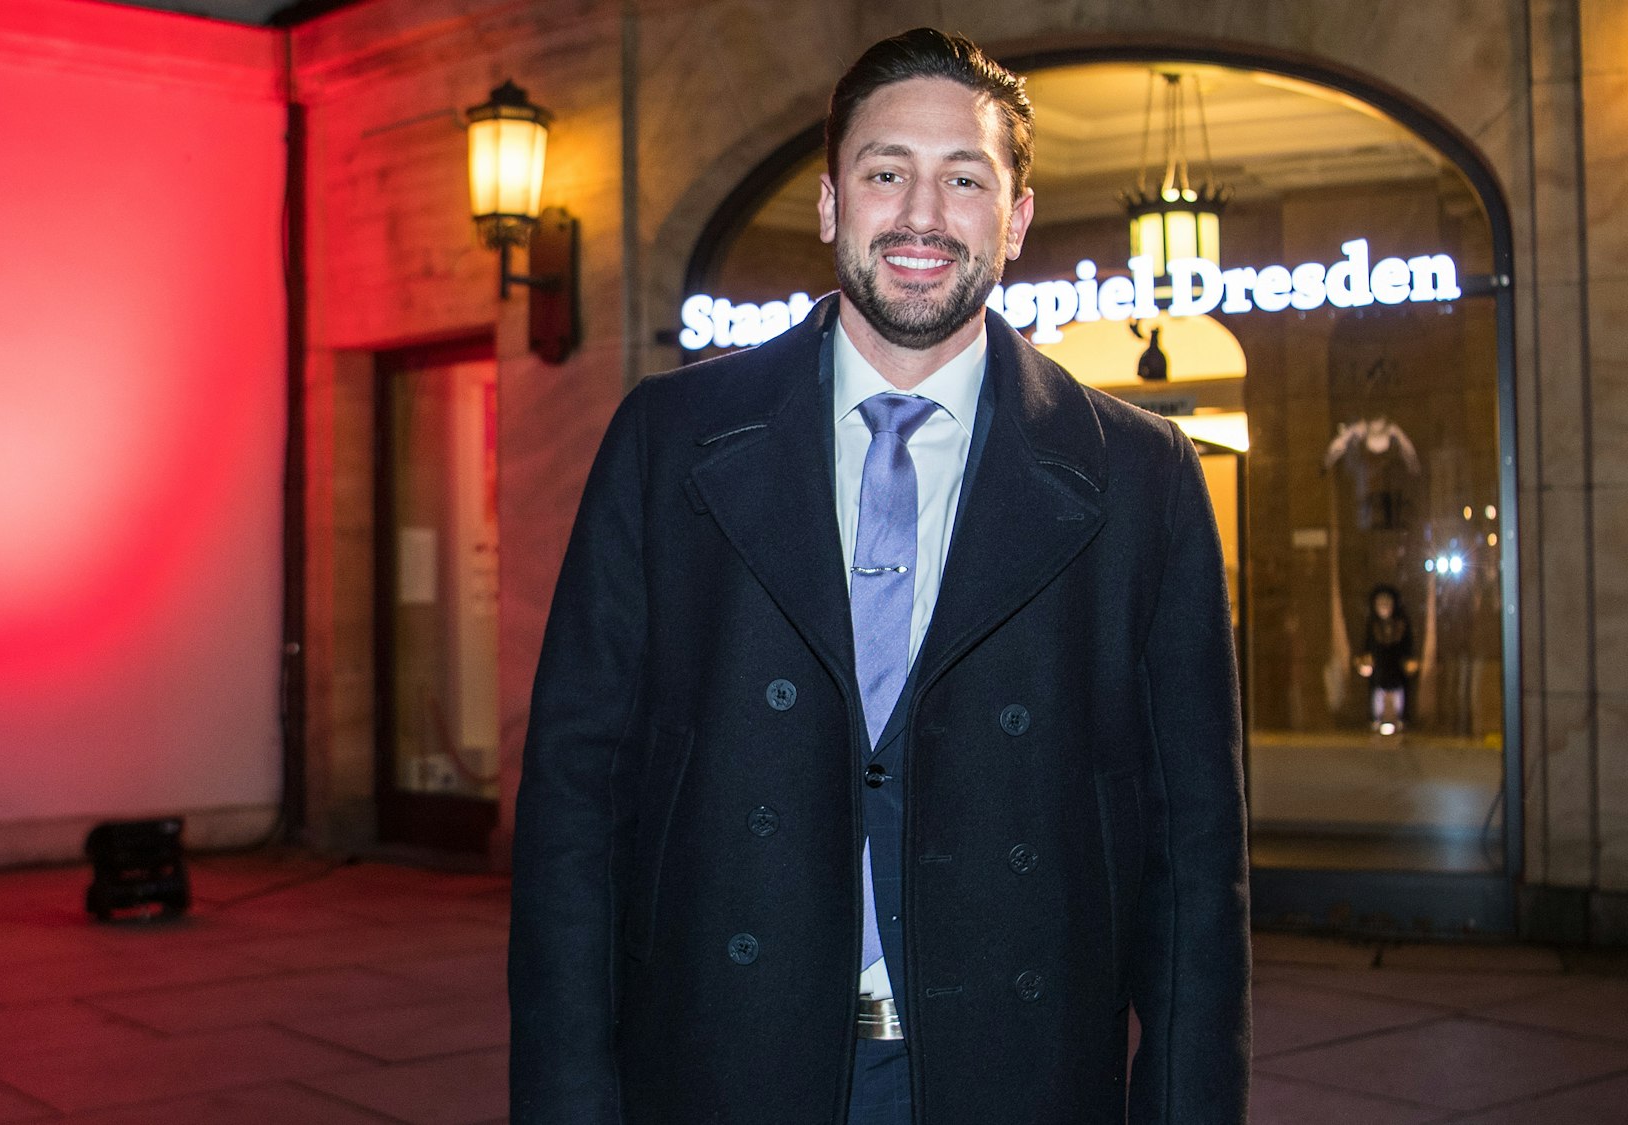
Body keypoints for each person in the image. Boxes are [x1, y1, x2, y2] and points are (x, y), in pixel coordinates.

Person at [509, 28, 1249, 1125]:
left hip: (1015, 1069)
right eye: (884, 171)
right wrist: (569, 1100)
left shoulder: (1137, 477)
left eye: (964, 179)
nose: (919, 215)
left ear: (1016, 219)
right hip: (725, 1062)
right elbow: (573, 809)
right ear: (828, 204)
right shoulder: (669, 444)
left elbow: (1194, 861)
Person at [1356, 583, 1417, 734]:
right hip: (1379, 672)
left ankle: (1401, 720)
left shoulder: (1402, 625)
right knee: (1377, 696)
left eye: (1387, 603)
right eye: (1380, 603)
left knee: (1399, 697)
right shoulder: (1372, 625)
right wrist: (1364, 661)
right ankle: (1376, 720)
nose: (1384, 607)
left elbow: (1408, 646)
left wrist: (1409, 662)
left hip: (1398, 671)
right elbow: (1366, 646)